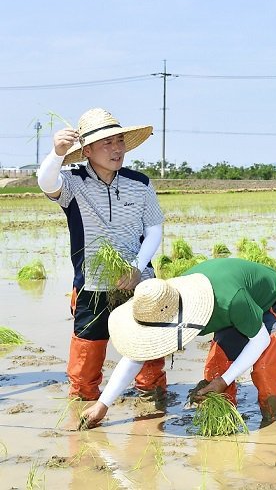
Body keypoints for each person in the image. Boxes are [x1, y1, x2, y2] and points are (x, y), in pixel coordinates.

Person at [36, 108, 166, 402]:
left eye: (119, 140)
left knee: (148, 348)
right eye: (107, 143)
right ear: (87, 150)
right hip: (92, 284)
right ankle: (84, 402)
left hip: (139, 282)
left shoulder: (140, 183)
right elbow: (46, 182)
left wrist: (136, 267)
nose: (117, 148)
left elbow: (154, 229)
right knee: (88, 352)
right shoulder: (72, 182)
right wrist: (57, 153)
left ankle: (151, 400)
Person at [80, 257, 276, 427]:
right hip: (234, 311)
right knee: (215, 369)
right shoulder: (163, 302)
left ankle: (275, 423)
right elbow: (135, 357)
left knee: (265, 368)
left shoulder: (230, 300)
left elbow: (260, 340)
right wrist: (102, 404)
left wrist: (225, 381)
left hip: (274, 302)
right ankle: (225, 422)